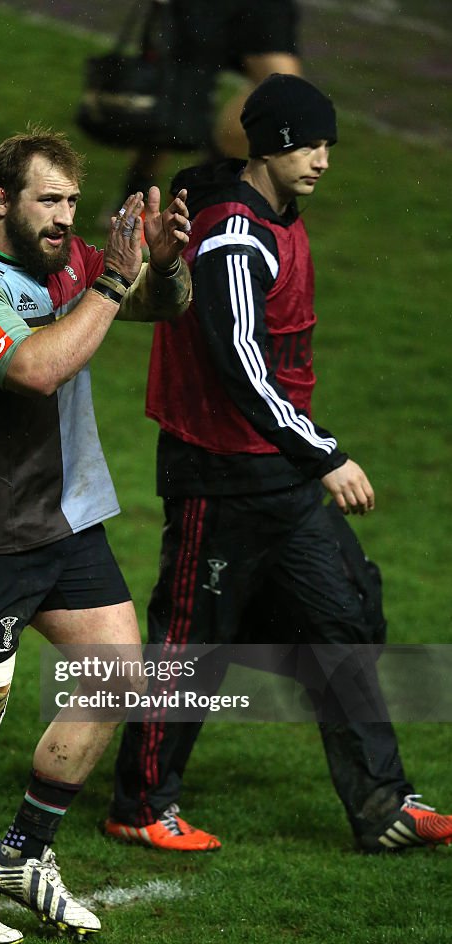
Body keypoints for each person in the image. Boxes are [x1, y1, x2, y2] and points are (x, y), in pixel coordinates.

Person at [104, 75, 452, 855]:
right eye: (304, 144)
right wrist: (323, 452)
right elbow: (238, 359)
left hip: (275, 474)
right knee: (193, 642)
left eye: (327, 144)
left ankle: (383, 805)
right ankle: (140, 803)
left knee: (345, 616)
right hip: (220, 477)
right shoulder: (233, 233)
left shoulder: (275, 215)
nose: (321, 160)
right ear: (265, 146)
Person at [0, 127, 192, 944]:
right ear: (1, 200)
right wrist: (110, 278)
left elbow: (162, 307)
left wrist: (163, 263)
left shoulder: (68, 263)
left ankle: (23, 853)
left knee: (116, 678)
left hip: (65, 517)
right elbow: (36, 367)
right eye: (48, 200)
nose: (65, 216)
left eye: (72, 200)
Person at [121, 0, 302, 205]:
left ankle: (197, 192)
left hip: (260, 7)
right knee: (173, 103)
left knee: (283, 88)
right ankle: (136, 199)